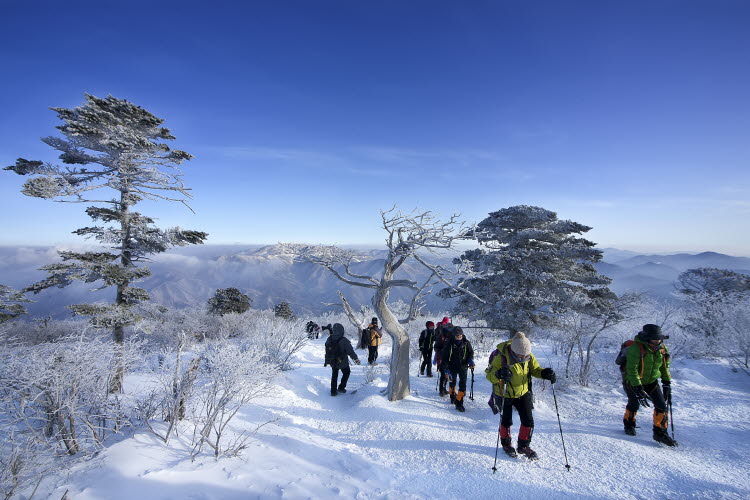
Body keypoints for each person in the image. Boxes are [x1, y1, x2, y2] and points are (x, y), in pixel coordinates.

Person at [485, 331, 556, 459]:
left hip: (523, 393)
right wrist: (498, 374)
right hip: (504, 393)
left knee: (528, 421)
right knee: (506, 421)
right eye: (520, 356)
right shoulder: (501, 357)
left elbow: (535, 370)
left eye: (526, 356)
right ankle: (506, 444)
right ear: (513, 351)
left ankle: (523, 446)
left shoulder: (528, 356)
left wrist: (545, 373)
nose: (523, 358)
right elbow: (489, 376)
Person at [622, 324, 676, 446]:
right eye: (654, 339)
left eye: (659, 339)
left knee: (662, 405)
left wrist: (666, 383)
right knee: (634, 403)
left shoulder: (662, 349)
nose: (657, 341)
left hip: (651, 381)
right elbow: (632, 369)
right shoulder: (636, 349)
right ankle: (629, 425)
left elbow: (664, 367)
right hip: (632, 381)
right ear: (647, 338)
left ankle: (660, 433)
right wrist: (637, 388)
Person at [440, 327, 474, 412]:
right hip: (452, 367)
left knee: (462, 385)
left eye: (460, 336)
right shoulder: (449, 344)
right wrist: (446, 369)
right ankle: (452, 397)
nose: (459, 338)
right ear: (454, 336)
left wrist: (470, 361)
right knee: (452, 382)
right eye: (457, 336)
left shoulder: (466, 343)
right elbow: (444, 358)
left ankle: (459, 403)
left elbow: (470, 353)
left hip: (463, 366)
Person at [324, 323, 361, 396]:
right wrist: (356, 359)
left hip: (332, 360)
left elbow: (326, 346)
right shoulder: (344, 340)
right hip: (342, 361)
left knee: (334, 375)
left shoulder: (329, 338)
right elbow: (350, 351)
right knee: (346, 372)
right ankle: (341, 387)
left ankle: (333, 391)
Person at [433, 318, 453, 396]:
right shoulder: (441, 337)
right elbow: (436, 347)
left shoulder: (453, 337)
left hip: (450, 359)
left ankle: (443, 389)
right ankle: (442, 390)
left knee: (448, 374)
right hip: (442, 358)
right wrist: (441, 353)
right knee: (443, 374)